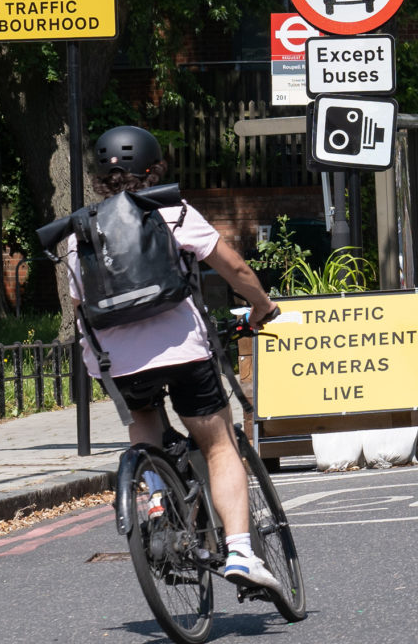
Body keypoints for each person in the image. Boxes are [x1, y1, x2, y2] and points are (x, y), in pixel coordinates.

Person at [64, 125, 286, 596]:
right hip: (183, 350)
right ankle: (243, 553)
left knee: (144, 419)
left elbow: (79, 303)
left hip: (116, 364)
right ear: (155, 167)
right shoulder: (172, 211)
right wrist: (263, 306)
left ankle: (160, 497)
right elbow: (235, 269)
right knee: (220, 444)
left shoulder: (79, 229)